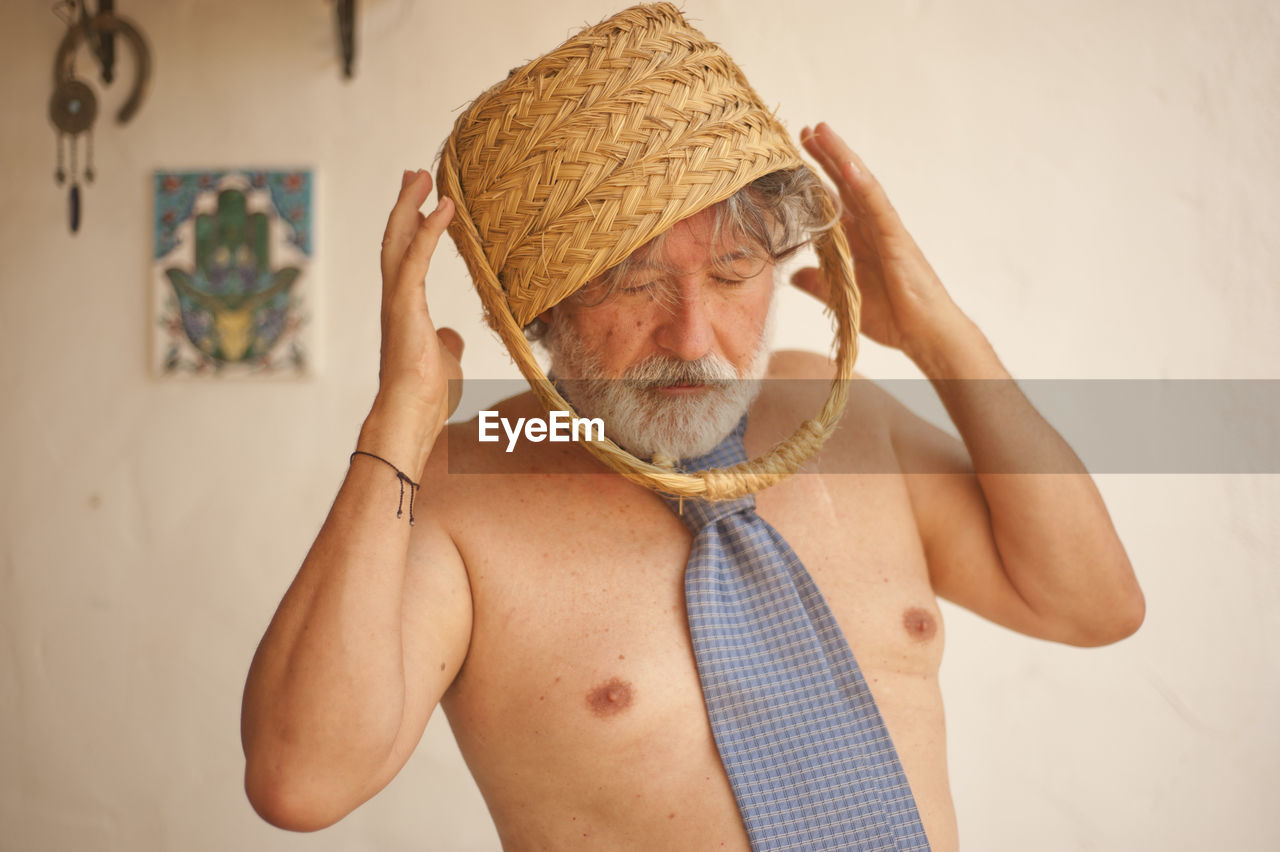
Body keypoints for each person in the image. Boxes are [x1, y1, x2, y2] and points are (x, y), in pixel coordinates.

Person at [239, 9, 1144, 851]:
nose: (692, 338)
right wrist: (397, 424)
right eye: (635, 285)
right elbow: (302, 781)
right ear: (537, 313)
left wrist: (945, 336)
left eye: (734, 271)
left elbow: (1093, 606)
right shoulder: (458, 489)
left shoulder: (849, 416)